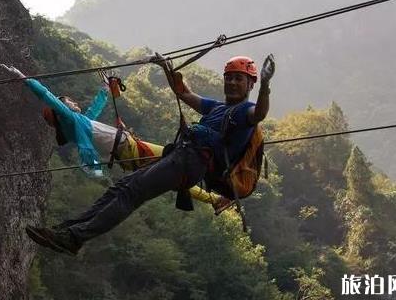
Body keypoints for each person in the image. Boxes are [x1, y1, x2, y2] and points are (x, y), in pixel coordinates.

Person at [23, 54, 275, 255]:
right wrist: (166, 68)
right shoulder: (218, 107)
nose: (231, 82)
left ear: (250, 83)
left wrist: (265, 87)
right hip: (180, 155)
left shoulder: (246, 112)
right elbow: (184, 94)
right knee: (119, 188)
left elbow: (260, 114)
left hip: (191, 162)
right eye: (229, 77)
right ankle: (66, 230)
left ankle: (74, 239)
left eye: (238, 79)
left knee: (132, 194)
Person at [1, 64, 221, 208]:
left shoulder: (80, 126)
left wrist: (104, 89)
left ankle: (215, 199)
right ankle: (217, 194)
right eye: (69, 102)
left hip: (129, 150)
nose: (74, 103)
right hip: (130, 150)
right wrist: (25, 78)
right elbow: (47, 96)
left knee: (177, 175)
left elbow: (94, 111)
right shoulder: (71, 120)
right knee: (180, 163)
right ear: (61, 112)